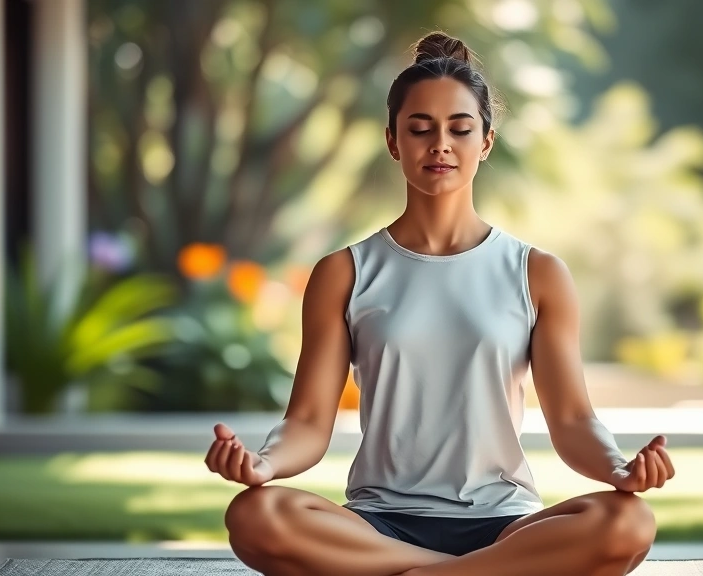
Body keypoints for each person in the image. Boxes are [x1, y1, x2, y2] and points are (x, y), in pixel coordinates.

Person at [205, 31, 675, 576]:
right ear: (392, 141)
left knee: (629, 523)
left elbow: (571, 419)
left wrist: (618, 469)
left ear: (487, 141)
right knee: (255, 516)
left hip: (505, 523)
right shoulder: (344, 272)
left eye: (460, 128)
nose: (440, 145)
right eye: (420, 129)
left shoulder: (537, 273)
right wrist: (264, 463)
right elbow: (308, 421)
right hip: (380, 521)